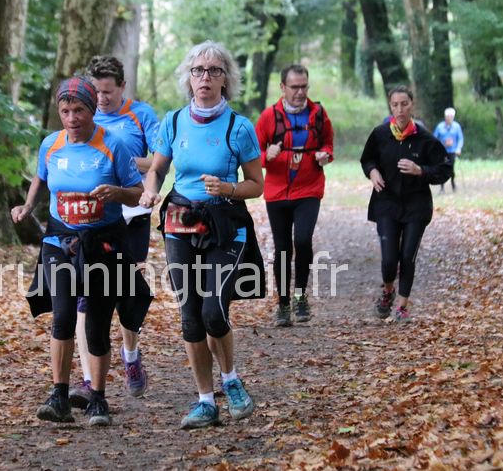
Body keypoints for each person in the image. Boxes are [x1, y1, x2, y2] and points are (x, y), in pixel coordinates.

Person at [139, 41, 265, 429]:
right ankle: (205, 401)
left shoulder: (239, 127)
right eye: (198, 70)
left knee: (214, 311)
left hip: (225, 225)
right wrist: (149, 190)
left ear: (226, 79)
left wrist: (228, 188)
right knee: (190, 318)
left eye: (213, 70)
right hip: (180, 223)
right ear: (188, 78)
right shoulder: (174, 122)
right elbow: (157, 168)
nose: (205, 77)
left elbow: (257, 184)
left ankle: (232, 381)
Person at [11, 76, 148, 427]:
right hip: (60, 241)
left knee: (97, 325)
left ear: (91, 110)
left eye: (79, 111)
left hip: (103, 244)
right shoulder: (51, 144)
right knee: (62, 317)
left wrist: (116, 193)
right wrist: (28, 206)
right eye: (65, 111)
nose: (72, 118)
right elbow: (41, 177)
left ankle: (98, 399)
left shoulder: (113, 145)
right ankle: (58, 396)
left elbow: (137, 191)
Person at [66, 56, 159, 407]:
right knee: (85, 296)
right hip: (91, 221)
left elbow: (159, 160)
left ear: (122, 87)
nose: (101, 99)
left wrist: (120, 160)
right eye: (96, 92)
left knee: (125, 293)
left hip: (132, 215)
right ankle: (89, 378)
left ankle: (130, 354)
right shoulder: (83, 117)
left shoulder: (141, 115)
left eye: (107, 92)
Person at [360, 85, 452, 322]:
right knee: (389, 259)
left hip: (416, 206)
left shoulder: (425, 139)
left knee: (408, 255)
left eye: (404, 104)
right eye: (395, 105)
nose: (400, 109)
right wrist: (373, 172)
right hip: (386, 203)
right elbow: (367, 159)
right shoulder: (380, 134)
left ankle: (402, 306)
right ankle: (388, 291)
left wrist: (421, 170)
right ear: (390, 107)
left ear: (412, 105)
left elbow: (445, 169)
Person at [255, 64, 334, 327]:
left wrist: (325, 155)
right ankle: (283, 304)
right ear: (283, 87)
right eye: (294, 87)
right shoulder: (269, 117)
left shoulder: (318, 114)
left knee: (302, 240)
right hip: (277, 192)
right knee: (282, 248)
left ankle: (300, 296)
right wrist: (267, 156)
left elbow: (328, 143)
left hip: (309, 189)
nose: (300, 92)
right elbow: (253, 155)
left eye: (304, 87)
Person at [433, 107, 464, 192]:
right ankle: (442, 188)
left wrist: (458, 148)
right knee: (442, 168)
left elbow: (460, 138)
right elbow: (434, 139)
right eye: (448, 116)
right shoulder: (440, 127)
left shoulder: (457, 126)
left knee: (451, 169)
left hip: (452, 151)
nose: (450, 118)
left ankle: (453, 185)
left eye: (451, 116)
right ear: (445, 117)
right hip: (442, 152)